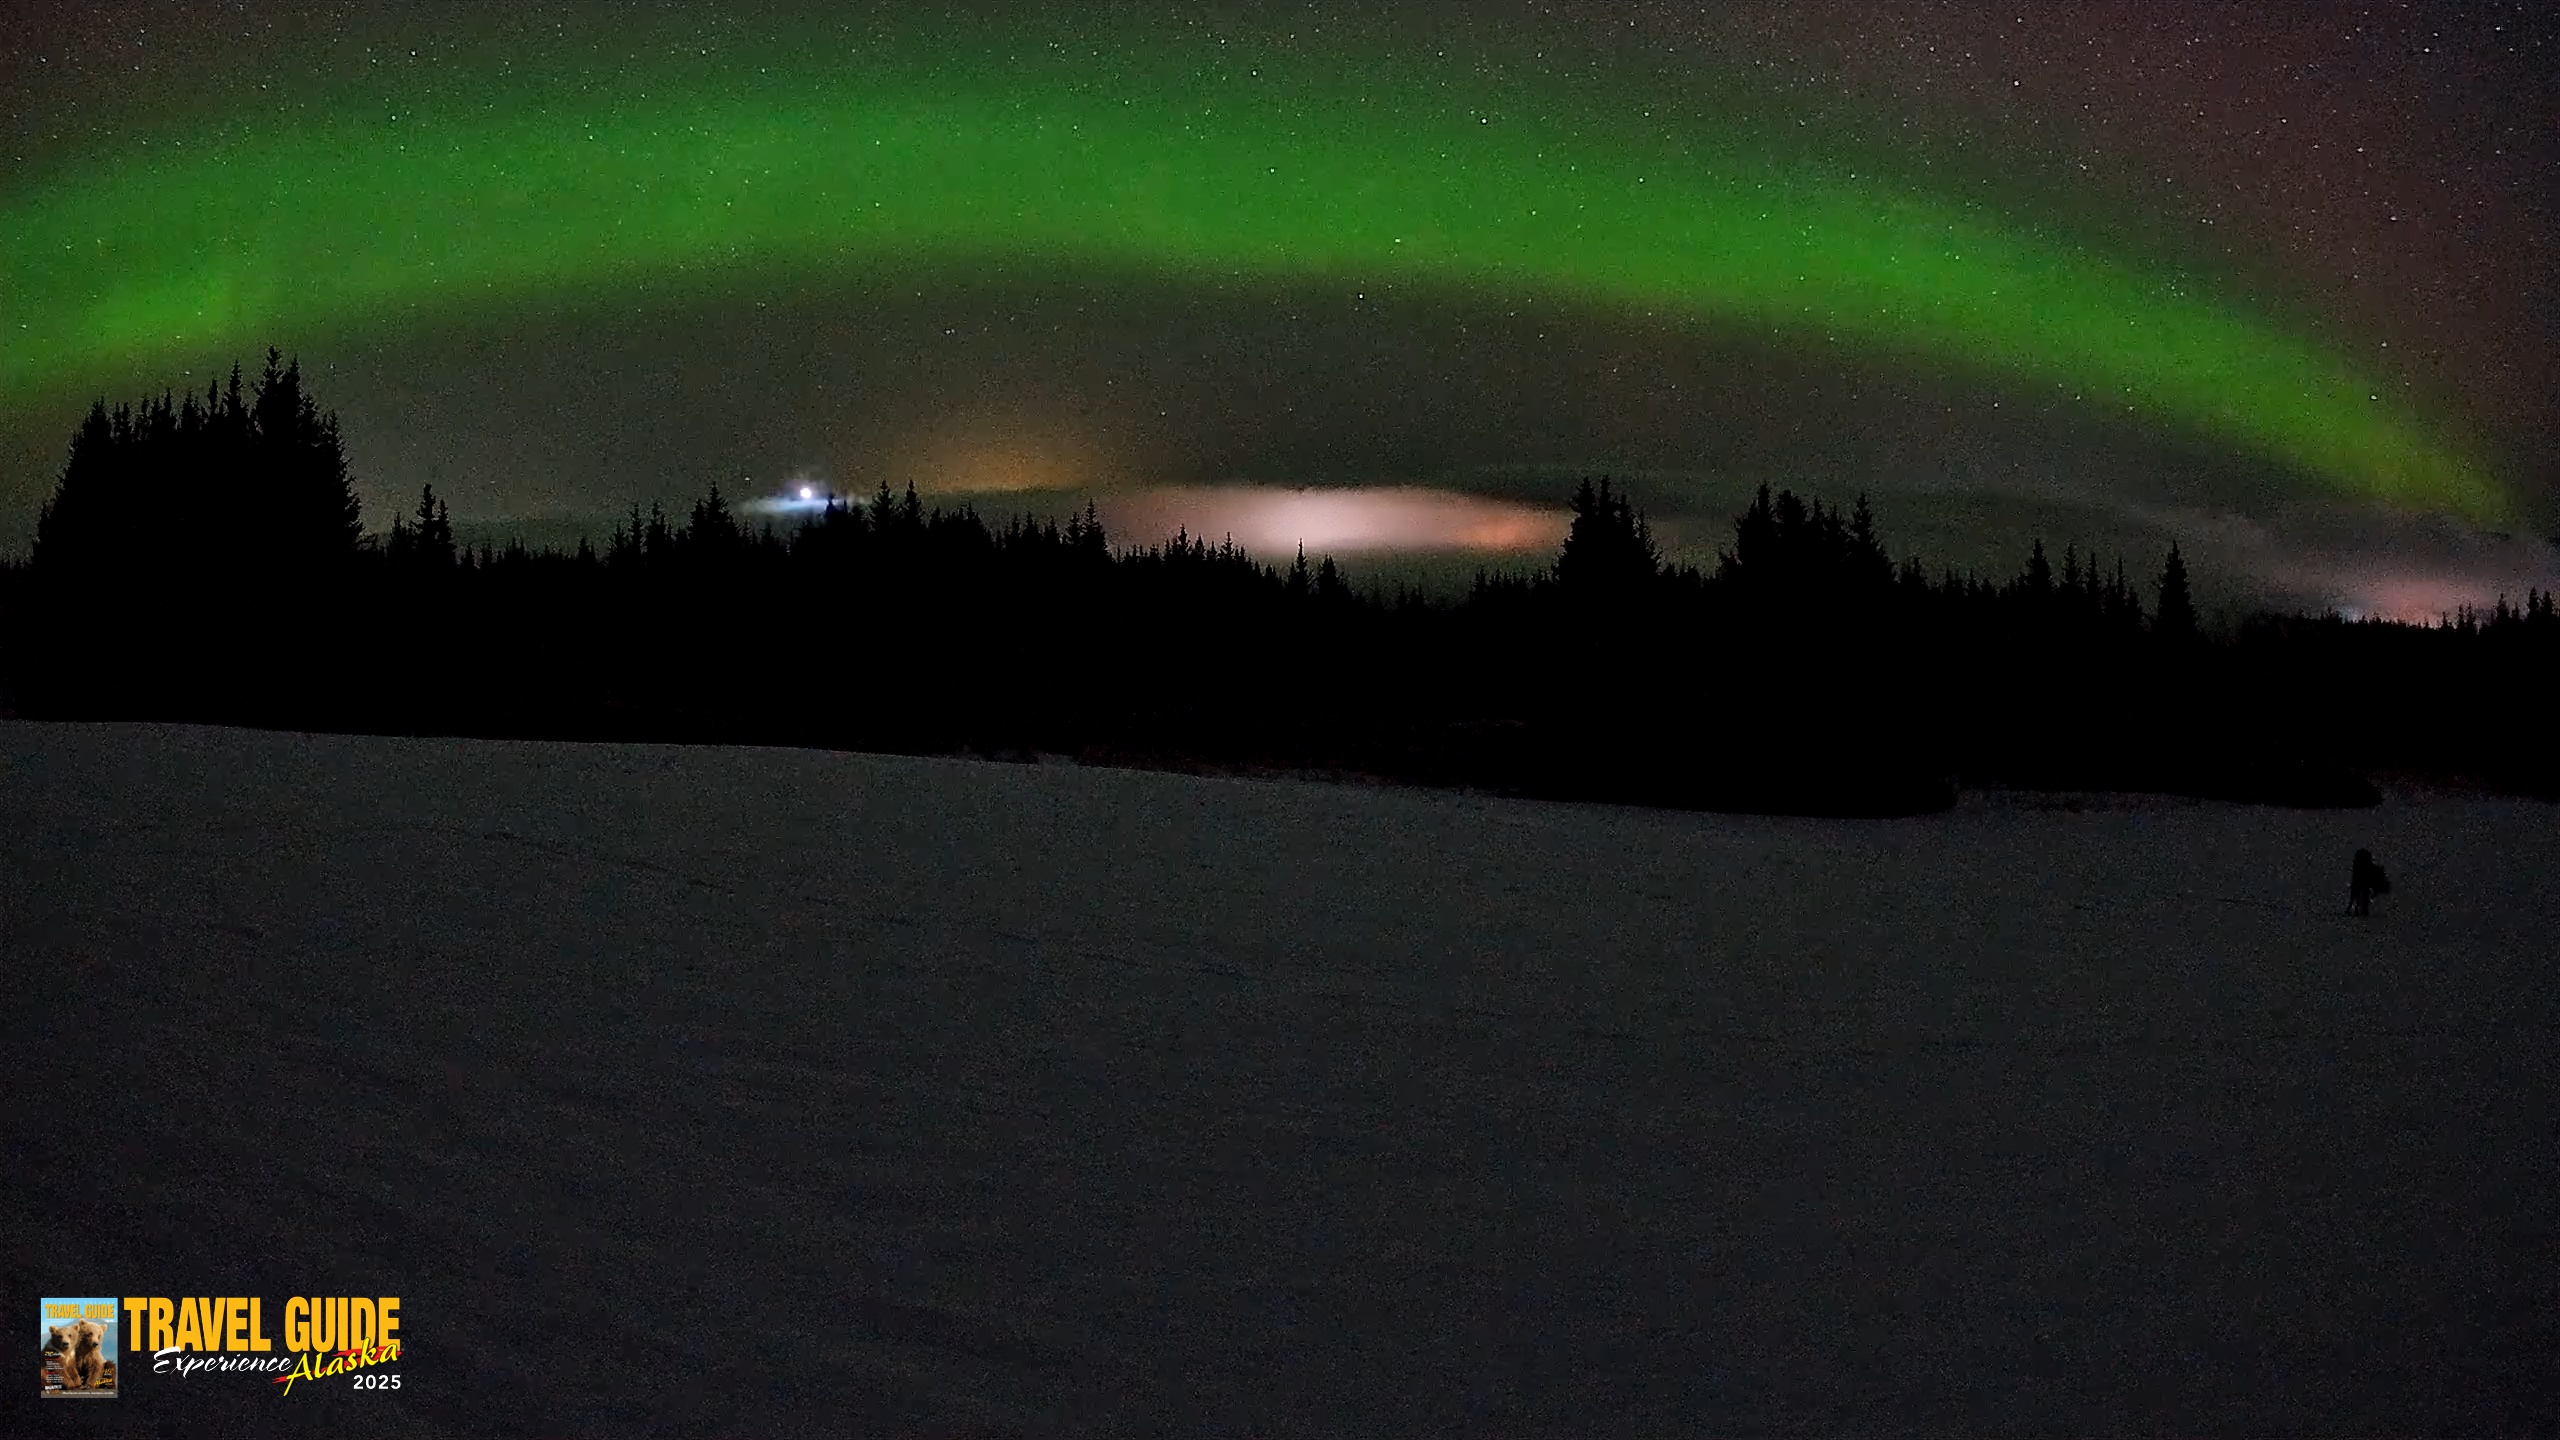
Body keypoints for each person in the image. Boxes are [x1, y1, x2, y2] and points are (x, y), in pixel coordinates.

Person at [2348, 847, 2390, 916]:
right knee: (2362, 898)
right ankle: (2360, 911)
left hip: (2363, 884)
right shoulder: (2367, 869)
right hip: (2363, 883)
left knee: (2362, 898)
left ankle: (2359, 910)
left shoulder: (2367, 869)